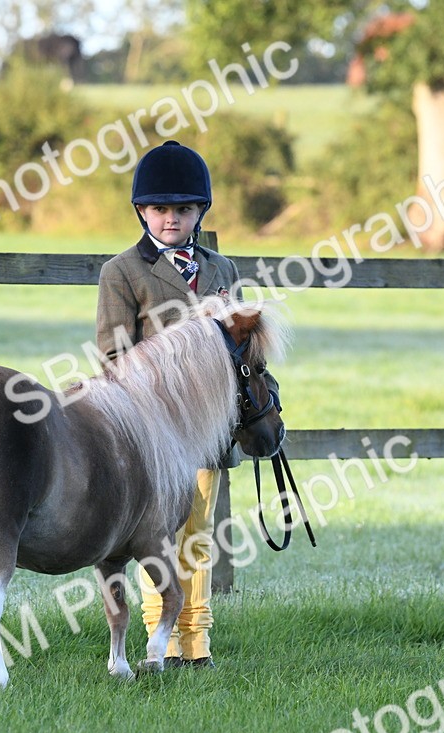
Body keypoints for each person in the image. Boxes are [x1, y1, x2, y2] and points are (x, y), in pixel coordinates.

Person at [95, 140, 273, 669]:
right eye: (159, 209)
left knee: (198, 534)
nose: (170, 219)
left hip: (209, 429)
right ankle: (161, 640)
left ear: (200, 212)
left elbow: (241, 342)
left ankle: (196, 643)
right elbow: (113, 354)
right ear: (141, 212)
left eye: (182, 209)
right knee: (155, 535)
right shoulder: (122, 272)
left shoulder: (221, 267)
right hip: (154, 430)